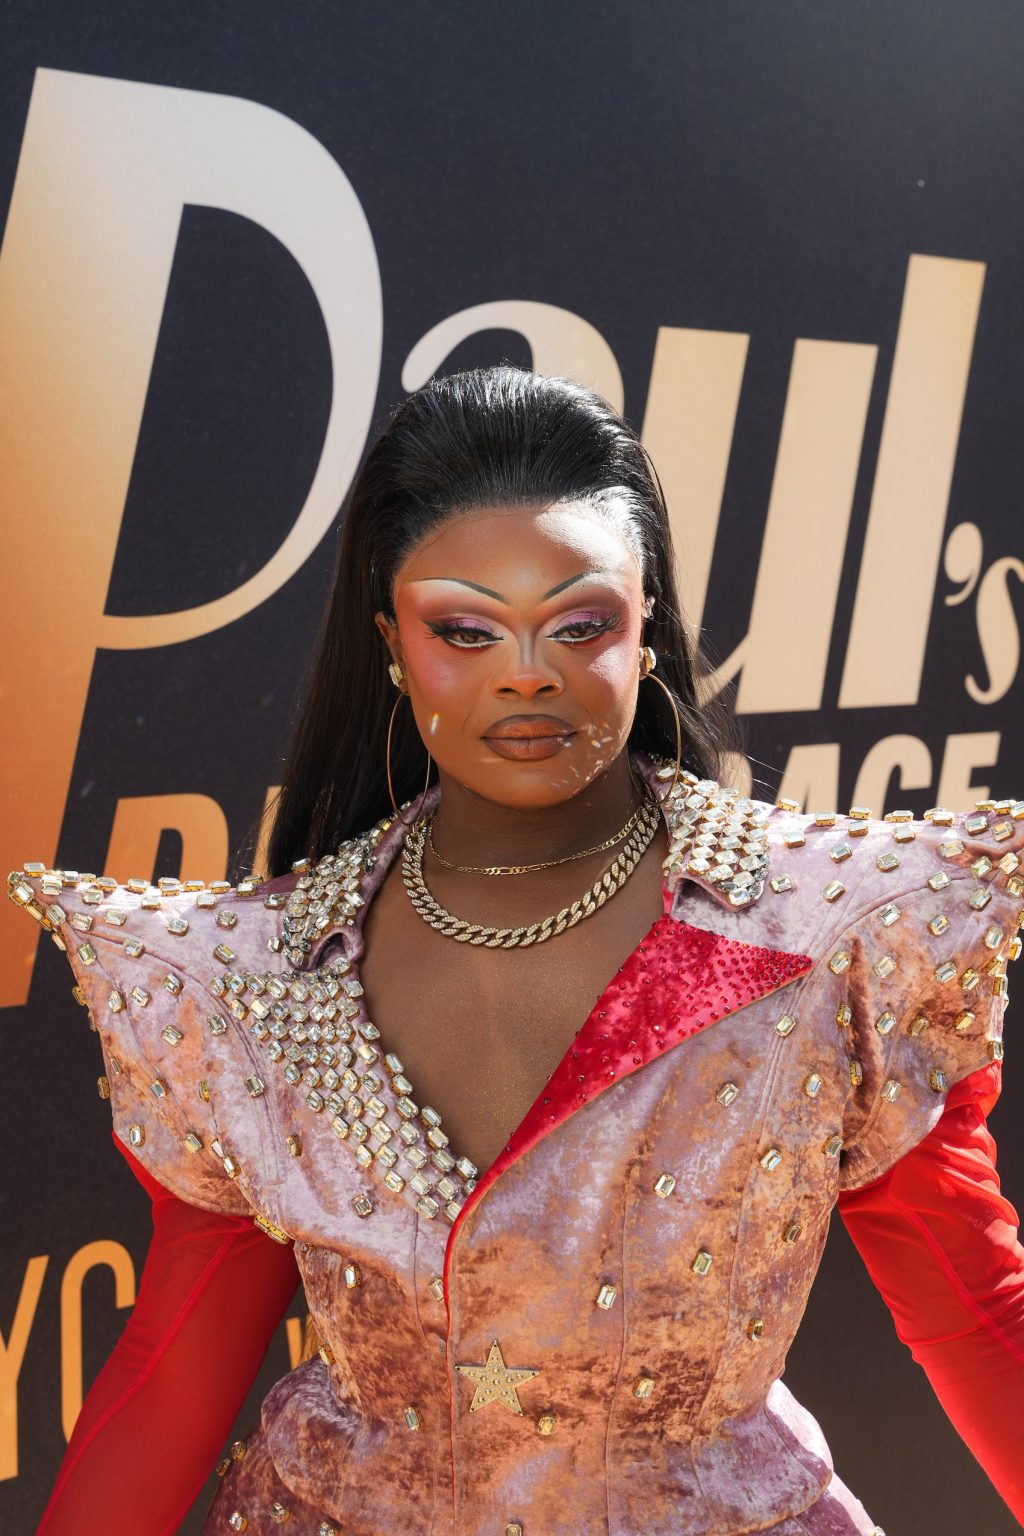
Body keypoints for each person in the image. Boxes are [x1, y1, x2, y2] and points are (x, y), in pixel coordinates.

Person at [10, 366, 1024, 1536]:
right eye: (466, 628)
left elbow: (974, 1315)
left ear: (645, 628)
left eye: (579, 622)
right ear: (393, 641)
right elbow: (176, 1366)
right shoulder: (249, 977)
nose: (527, 670)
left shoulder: (831, 933)